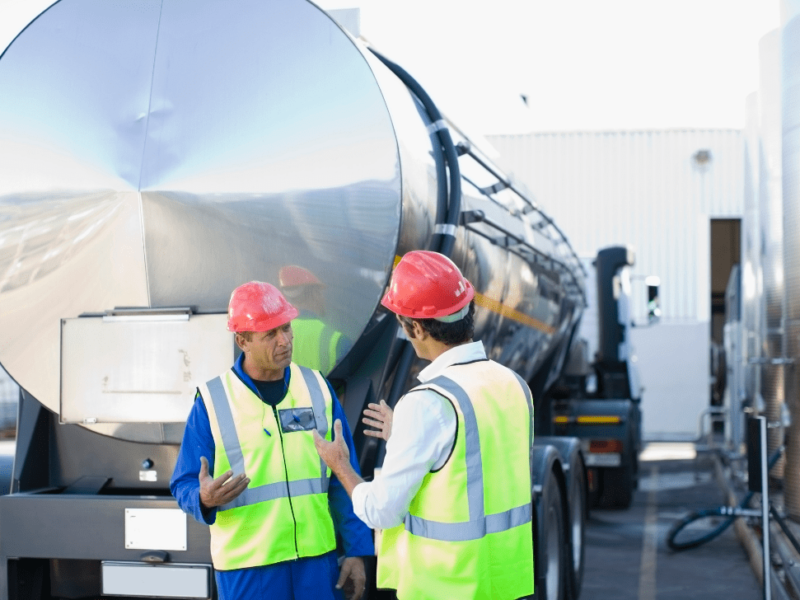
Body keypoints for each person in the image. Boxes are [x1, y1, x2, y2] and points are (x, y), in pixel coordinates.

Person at [314, 250, 535, 600]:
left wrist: (340, 466)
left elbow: (380, 510)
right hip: (505, 584)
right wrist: (405, 434)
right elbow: (477, 459)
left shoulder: (428, 404)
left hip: (447, 588)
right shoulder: (513, 384)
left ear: (415, 327)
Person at [170, 281, 373, 600]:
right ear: (242, 341)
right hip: (249, 570)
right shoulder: (212, 402)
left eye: (287, 329)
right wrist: (204, 498)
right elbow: (183, 483)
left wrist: (357, 550)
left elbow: (341, 477)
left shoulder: (317, 388)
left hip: (315, 563)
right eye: (271, 334)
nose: (285, 341)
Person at [278, 265, 350, 374]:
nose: (323, 299)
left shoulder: (271, 336)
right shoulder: (336, 341)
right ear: (314, 294)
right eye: (320, 293)